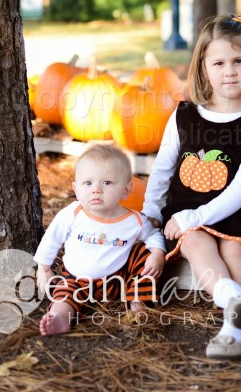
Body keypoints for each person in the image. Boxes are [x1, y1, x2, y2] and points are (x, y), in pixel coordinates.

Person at [143, 14, 241, 359]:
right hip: (189, 213)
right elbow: (162, 168)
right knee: (197, 242)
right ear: (203, 67)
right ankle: (237, 303)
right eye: (219, 62)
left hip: (238, 211)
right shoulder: (185, 114)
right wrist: (151, 213)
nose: (229, 71)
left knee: (233, 249)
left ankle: (240, 329)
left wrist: (194, 216)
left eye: (238, 61)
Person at [35, 143, 166, 336]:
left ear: (126, 191)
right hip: (76, 280)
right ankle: (60, 318)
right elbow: (51, 240)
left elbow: (154, 235)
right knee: (64, 294)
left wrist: (157, 253)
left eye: (107, 183)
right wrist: (43, 268)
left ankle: (138, 302)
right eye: (87, 183)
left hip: (116, 281)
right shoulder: (72, 213)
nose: (96, 190)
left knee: (143, 254)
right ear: (76, 189)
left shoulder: (134, 220)